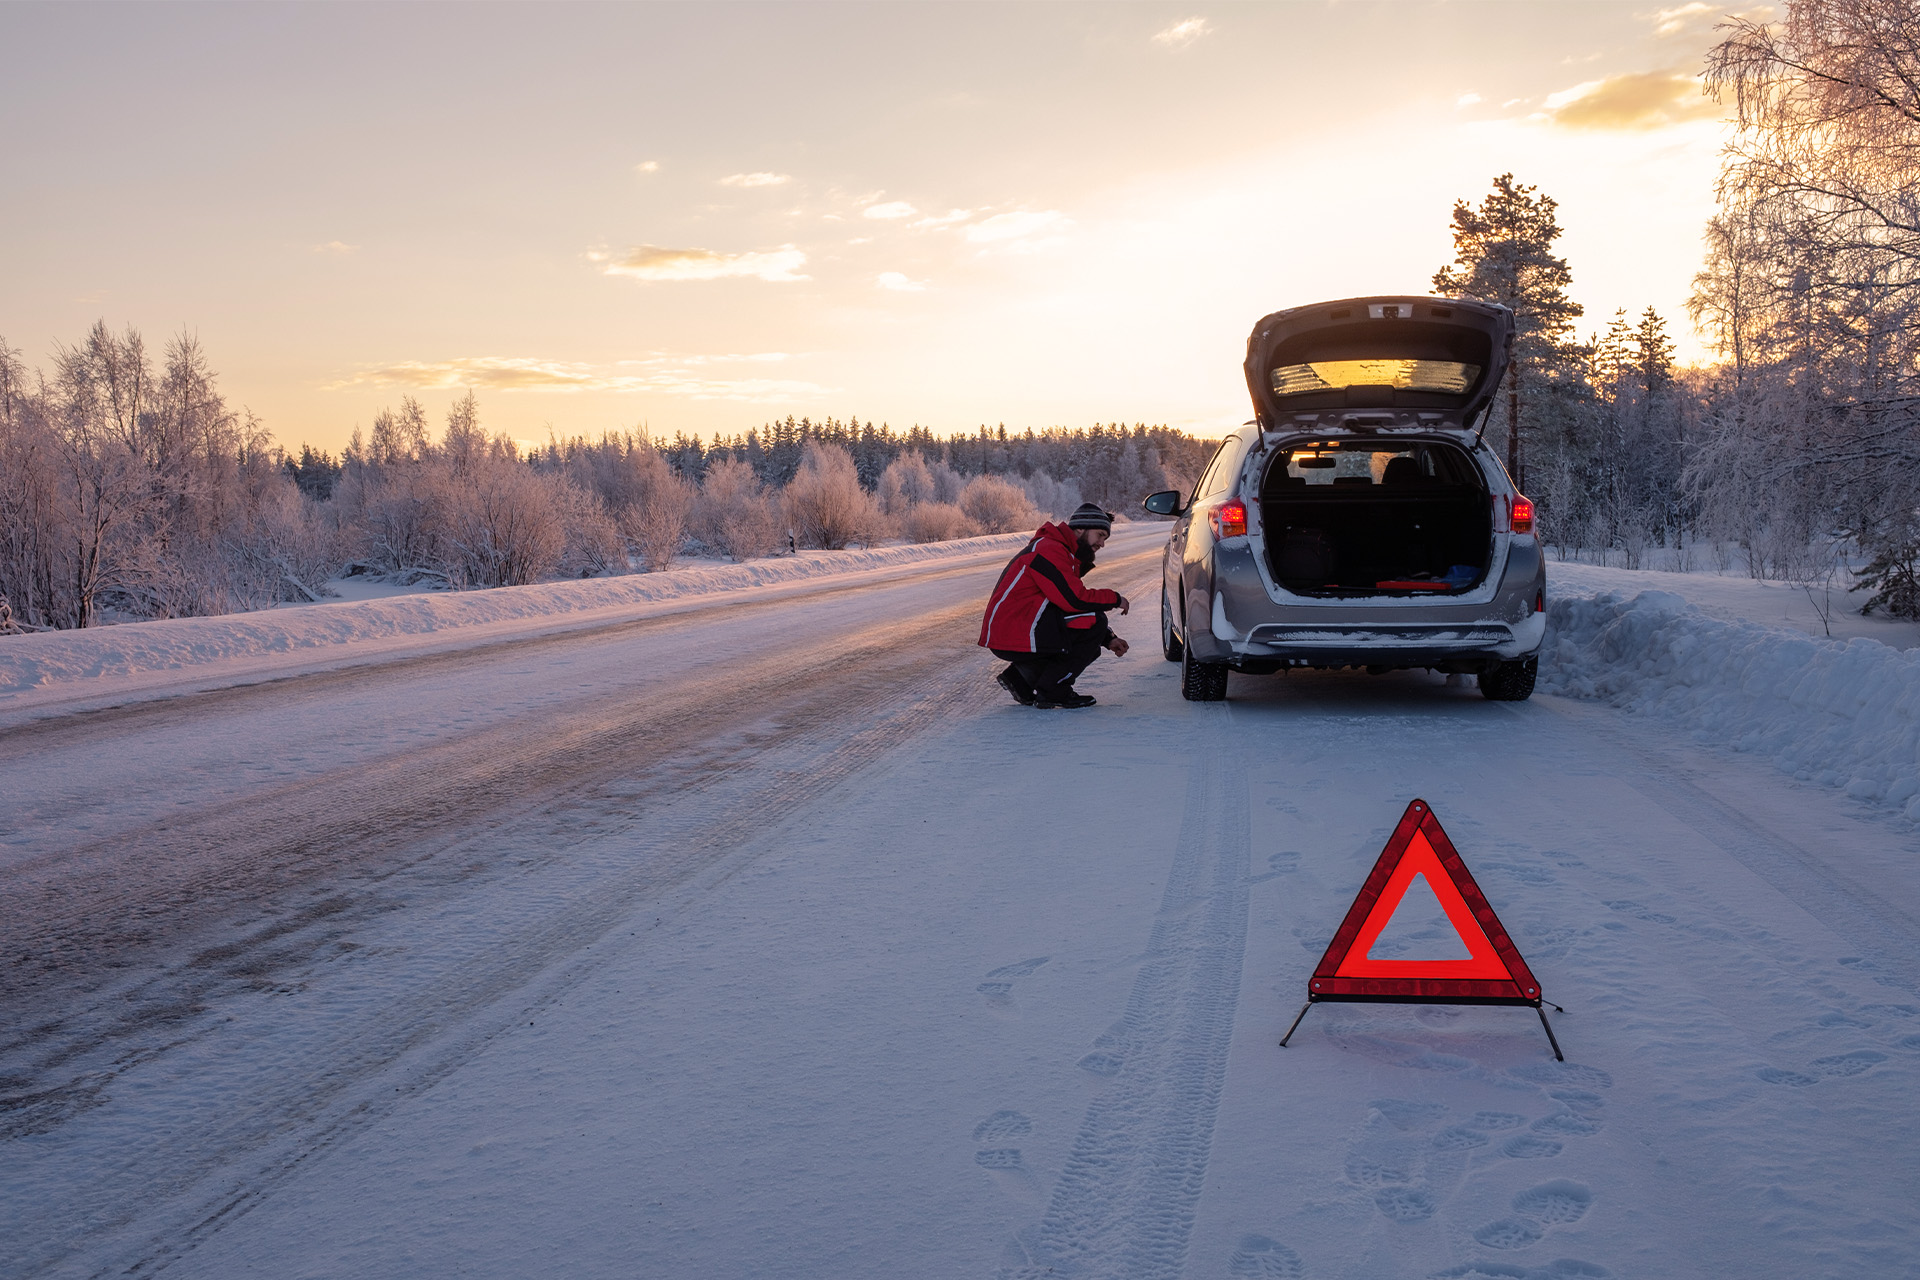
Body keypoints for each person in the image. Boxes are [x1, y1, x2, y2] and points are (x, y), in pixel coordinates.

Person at [979, 503, 1131, 709]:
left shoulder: (1059, 549)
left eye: (1105, 538)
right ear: (1080, 528)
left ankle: (1021, 678)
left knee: (1092, 640)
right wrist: (1115, 599)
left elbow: (1067, 605)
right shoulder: (1049, 549)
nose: (1102, 544)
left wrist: (1108, 638)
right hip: (1014, 629)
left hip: (1019, 627)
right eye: (1100, 535)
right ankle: (1054, 690)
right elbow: (1074, 600)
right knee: (1095, 621)